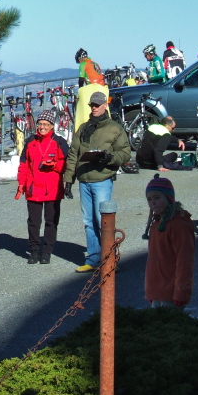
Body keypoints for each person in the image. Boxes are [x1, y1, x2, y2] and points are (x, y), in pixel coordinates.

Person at [63, 91, 131, 272]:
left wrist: (109, 157)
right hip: (84, 180)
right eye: (92, 105)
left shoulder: (115, 128)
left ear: (105, 106)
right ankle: (93, 259)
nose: (94, 108)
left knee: (104, 221)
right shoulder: (83, 128)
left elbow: (125, 153)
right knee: (88, 221)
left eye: (97, 105)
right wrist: (68, 179)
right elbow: (73, 155)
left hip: (102, 179)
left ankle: (109, 259)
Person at [16, 110, 68, 264]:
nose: (42, 127)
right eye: (40, 124)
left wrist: (54, 165)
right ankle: (33, 250)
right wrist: (21, 183)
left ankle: (47, 251)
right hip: (33, 188)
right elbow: (23, 165)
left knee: (51, 221)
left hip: (53, 188)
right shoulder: (30, 141)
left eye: (46, 124)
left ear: (52, 126)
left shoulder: (59, 142)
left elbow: (67, 164)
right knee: (33, 221)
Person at [144, 176, 194, 308]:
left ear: (168, 198)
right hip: (157, 291)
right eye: (149, 199)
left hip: (172, 294)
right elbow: (153, 262)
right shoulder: (157, 223)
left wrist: (181, 292)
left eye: (157, 198)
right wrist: (151, 291)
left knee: (169, 326)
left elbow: (185, 261)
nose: (152, 203)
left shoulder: (179, 224)